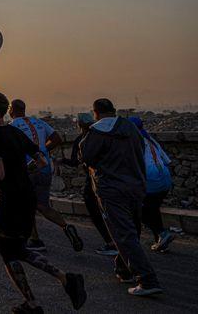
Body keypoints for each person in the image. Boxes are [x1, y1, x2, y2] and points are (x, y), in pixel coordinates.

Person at [0, 91, 86, 314]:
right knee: (17, 248)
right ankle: (61, 282)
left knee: (7, 251)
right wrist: (23, 174)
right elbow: (41, 160)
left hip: (9, 200)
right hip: (28, 196)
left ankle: (38, 299)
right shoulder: (17, 133)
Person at [80, 99, 162, 297]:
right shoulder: (131, 128)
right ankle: (123, 269)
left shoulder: (95, 132)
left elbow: (86, 157)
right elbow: (140, 151)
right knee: (130, 230)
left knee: (122, 233)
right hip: (135, 186)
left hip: (110, 189)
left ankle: (146, 279)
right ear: (114, 111)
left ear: (96, 113)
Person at [9, 100, 82, 252]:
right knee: (42, 205)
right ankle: (66, 226)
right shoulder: (39, 122)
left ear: (12, 110)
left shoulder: (12, 126)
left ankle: (35, 239)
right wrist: (43, 152)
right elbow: (57, 139)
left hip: (27, 170)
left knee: (26, 205)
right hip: (45, 168)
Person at [58, 113, 117, 256]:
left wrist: (61, 161)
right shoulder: (103, 136)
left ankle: (110, 243)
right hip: (112, 177)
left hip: (93, 179)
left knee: (95, 212)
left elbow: (76, 161)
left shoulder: (81, 140)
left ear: (79, 125)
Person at [128, 116, 175, 253]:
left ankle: (162, 233)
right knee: (153, 209)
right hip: (165, 179)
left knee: (137, 211)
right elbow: (167, 161)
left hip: (150, 180)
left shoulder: (133, 141)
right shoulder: (150, 139)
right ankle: (160, 241)